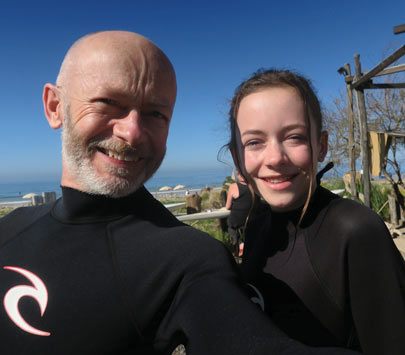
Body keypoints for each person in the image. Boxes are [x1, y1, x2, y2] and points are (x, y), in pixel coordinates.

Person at [0, 32, 359, 355]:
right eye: (108, 103)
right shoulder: (10, 229)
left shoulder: (186, 258)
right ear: (54, 106)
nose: (132, 132)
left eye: (156, 114)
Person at [226, 69, 405, 355]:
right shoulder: (258, 223)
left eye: (294, 137)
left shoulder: (356, 232)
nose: (274, 158)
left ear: (321, 146)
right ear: (237, 157)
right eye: (254, 142)